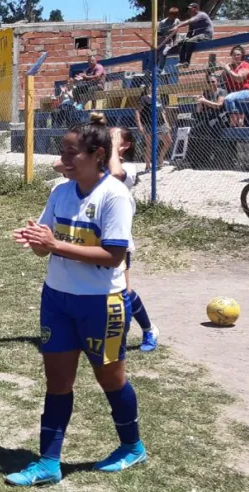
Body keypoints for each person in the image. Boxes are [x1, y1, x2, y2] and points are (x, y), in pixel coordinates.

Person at [7, 115, 146, 486]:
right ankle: (48, 462)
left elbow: (114, 256)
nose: (64, 159)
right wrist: (38, 243)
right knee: (57, 382)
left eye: (72, 153)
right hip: (57, 299)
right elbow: (46, 248)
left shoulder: (114, 196)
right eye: (62, 152)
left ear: (97, 154)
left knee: (111, 379)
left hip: (101, 302)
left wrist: (55, 245)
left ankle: (132, 445)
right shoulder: (60, 192)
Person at [107, 126, 160, 353]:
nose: (108, 140)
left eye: (114, 138)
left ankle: (149, 329)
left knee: (124, 291)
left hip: (118, 240)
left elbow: (115, 175)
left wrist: (110, 148)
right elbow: (60, 166)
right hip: (93, 237)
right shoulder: (98, 161)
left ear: (125, 145)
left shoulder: (128, 167)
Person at [135, 84, 172, 173]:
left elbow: (162, 112)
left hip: (161, 123)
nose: (157, 89)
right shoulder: (145, 98)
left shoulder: (158, 98)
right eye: (154, 87)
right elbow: (137, 111)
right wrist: (139, 124)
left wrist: (167, 123)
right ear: (149, 89)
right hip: (149, 124)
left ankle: (160, 159)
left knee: (169, 141)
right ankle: (148, 165)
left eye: (157, 87)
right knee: (150, 145)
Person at [216, 45, 249, 128]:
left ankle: (234, 120)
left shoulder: (245, 65)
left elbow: (239, 78)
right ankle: (236, 123)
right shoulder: (230, 66)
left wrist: (227, 69)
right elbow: (220, 80)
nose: (236, 56)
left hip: (244, 92)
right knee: (229, 98)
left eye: (238, 54)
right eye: (234, 54)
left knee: (229, 98)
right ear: (231, 55)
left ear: (242, 55)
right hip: (232, 92)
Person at [176, 3, 214, 69]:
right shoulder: (192, 19)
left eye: (191, 9)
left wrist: (178, 26)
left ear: (196, 9)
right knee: (182, 42)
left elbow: (190, 21)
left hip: (206, 35)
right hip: (197, 36)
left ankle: (187, 62)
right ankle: (181, 61)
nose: (189, 11)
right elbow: (190, 32)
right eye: (189, 9)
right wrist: (187, 37)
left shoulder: (201, 15)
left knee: (189, 41)